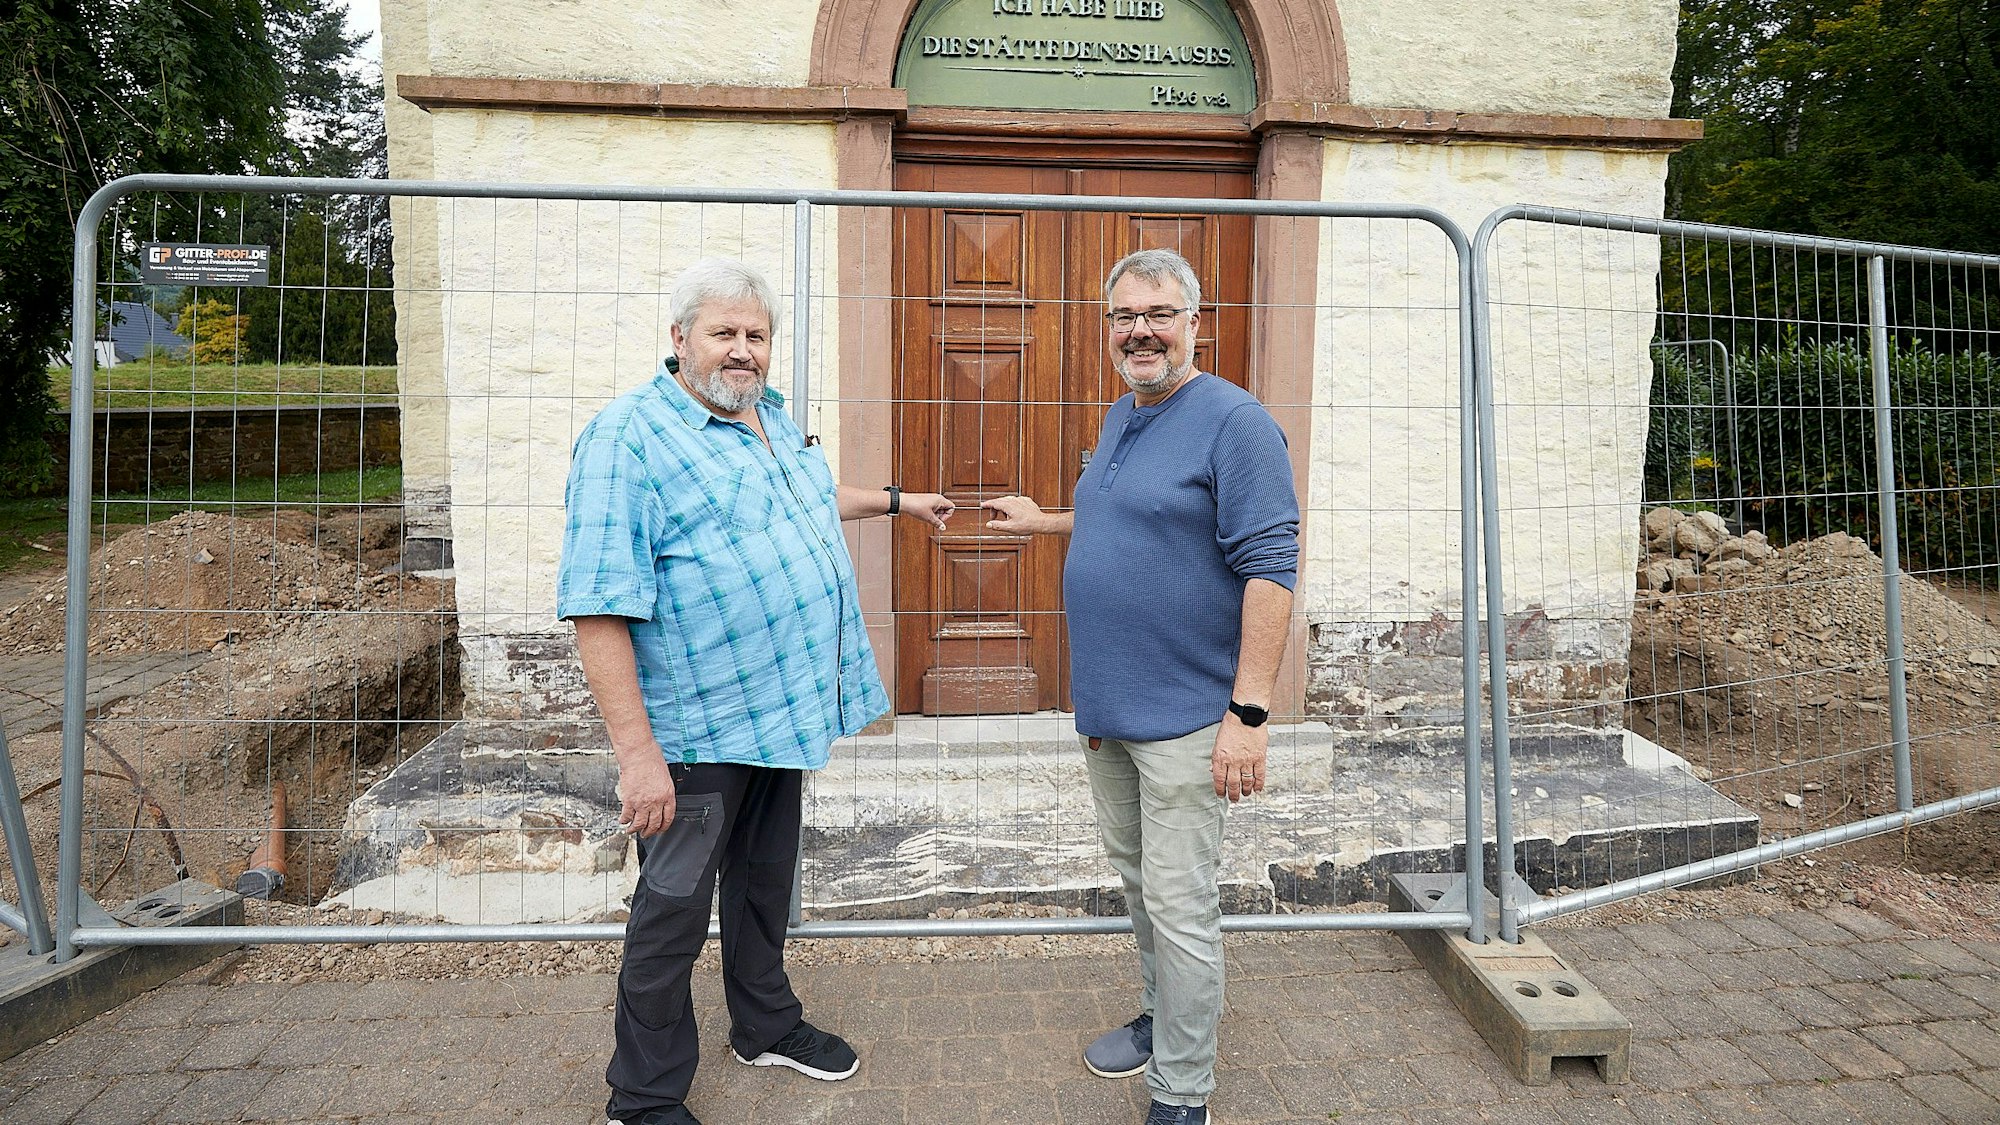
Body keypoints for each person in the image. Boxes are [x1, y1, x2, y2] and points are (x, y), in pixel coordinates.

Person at [558, 257, 952, 1125]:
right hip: (695, 733)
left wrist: (896, 500)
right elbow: (596, 605)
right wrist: (638, 758)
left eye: (756, 336)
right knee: (671, 911)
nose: (743, 351)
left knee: (763, 883)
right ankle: (645, 1095)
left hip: (781, 713)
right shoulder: (629, 439)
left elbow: (805, 497)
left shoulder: (766, 418)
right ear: (679, 340)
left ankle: (763, 1023)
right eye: (724, 333)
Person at [982, 248, 1299, 1125]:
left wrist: (1249, 713)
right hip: (1113, 712)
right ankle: (1165, 1020)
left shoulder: (1235, 423)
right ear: (1108, 328)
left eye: (1160, 313)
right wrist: (1048, 519)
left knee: (1182, 902)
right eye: (1125, 316)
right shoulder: (1125, 412)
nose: (1141, 330)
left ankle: (1182, 1094)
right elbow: (1135, 516)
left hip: (1192, 718)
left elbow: (1271, 570)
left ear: (1196, 321)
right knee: (1137, 882)